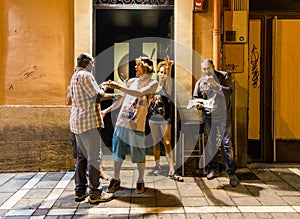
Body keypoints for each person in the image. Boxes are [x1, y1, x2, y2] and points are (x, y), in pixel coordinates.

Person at [102, 56, 158, 194]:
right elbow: (122, 98)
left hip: (137, 124)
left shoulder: (153, 83)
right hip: (122, 121)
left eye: (137, 65)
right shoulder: (131, 81)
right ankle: (116, 179)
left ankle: (140, 180)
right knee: (117, 152)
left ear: (146, 67)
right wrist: (106, 111)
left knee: (139, 153)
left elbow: (139, 93)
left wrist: (118, 86)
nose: (135, 67)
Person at [69, 52, 114, 203]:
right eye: (92, 63)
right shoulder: (87, 76)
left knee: (82, 158)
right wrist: (106, 88)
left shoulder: (75, 75)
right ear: (87, 62)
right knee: (94, 158)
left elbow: (90, 94)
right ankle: (95, 193)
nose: (93, 66)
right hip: (88, 123)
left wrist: (109, 93)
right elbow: (98, 96)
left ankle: (80, 191)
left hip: (77, 123)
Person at [193, 58, 239, 187]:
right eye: (204, 69)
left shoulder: (223, 76)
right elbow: (196, 97)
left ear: (213, 67)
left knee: (226, 144)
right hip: (209, 116)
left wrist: (216, 85)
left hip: (224, 116)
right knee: (211, 143)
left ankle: (231, 173)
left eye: (208, 68)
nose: (206, 71)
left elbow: (229, 92)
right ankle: (214, 168)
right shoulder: (200, 82)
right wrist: (198, 104)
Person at [148, 58, 183, 182]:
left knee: (167, 142)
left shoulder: (167, 85)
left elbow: (169, 85)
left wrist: (169, 68)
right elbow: (148, 100)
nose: (162, 74)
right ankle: (157, 166)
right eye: (160, 72)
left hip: (164, 118)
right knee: (155, 142)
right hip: (152, 118)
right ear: (157, 73)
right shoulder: (153, 85)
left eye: (164, 72)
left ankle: (171, 168)